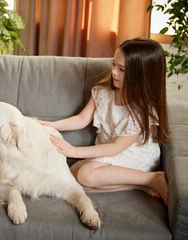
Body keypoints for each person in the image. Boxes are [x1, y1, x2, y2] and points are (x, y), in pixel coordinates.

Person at [39, 37, 170, 205]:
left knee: (85, 175)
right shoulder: (103, 92)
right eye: (114, 65)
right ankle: (138, 185)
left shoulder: (143, 110)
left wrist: (73, 151)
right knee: (70, 182)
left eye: (121, 69)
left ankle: (150, 178)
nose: (114, 72)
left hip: (134, 156)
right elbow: (81, 119)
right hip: (108, 154)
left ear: (141, 76)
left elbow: (117, 147)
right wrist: (50, 125)